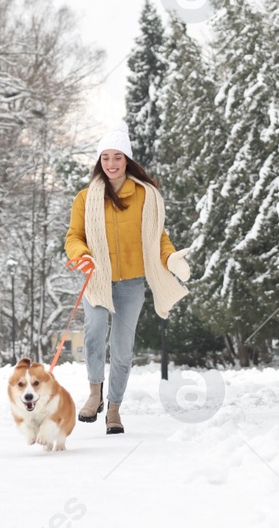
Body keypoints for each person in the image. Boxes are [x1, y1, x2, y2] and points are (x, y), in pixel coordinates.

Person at [63, 121, 191, 434]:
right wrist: (83, 254)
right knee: (93, 333)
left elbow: (157, 236)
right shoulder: (85, 198)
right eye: (105, 157)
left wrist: (170, 257)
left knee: (121, 348)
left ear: (127, 160)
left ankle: (114, 410)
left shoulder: (146, 195)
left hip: (132, 283)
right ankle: (95, 395)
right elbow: (73, 236)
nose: (111, 163)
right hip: (98, 278)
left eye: (117, 157)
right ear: (99, 161)